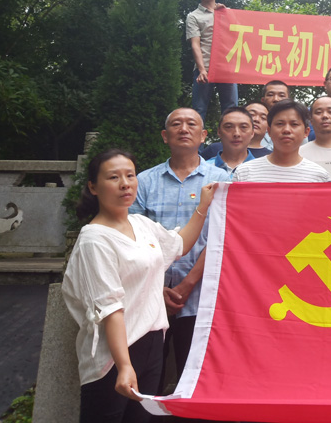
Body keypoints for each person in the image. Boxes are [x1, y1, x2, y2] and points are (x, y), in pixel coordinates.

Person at [62, 149, 217, 423]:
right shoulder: (94, 240)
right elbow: (110, 308)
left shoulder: (141, 224)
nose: (125, 184)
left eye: (130, 175)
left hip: (152, 341)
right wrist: (124, 365)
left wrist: (203, 206)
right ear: (93, 187)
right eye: (113, 177)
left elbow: (179, 244)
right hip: (115, 353)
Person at [130, 108, 229, 395]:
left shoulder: (222, 180)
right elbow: (134, 236)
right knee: (147, 377)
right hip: (149, 295)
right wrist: (156, 286)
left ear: (204, 135)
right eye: (176, 124)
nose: (183, 129)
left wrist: (187, 284)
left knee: (194, 378)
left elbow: (223, 238)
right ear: (165, 136)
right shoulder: (144, 181)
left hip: (200, 295)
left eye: (191, 124)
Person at [233, 100, 329, 182]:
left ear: (306, 132)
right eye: (280, 124)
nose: (286, 130)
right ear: (269, 131)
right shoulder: (244, 172)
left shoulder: (319, 176)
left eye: (294, 124)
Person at [186, 0, 236, 122]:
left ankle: (230, 138)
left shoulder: (227, 12)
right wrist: (201, 69)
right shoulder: (193, 16)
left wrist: (226, 14)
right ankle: (197, 139)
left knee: (231, 109)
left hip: (226, 67)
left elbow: (239, 35)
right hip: (205, 68)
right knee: (199, 109)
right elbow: (195, 44)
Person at [199, 102, 272, 160]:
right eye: (251, 114)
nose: (256, 119)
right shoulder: (214, 149)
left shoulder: (271, 158)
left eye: (263, 118)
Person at [299, 96, 331, 178]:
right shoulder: (298, 154)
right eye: (318, 112)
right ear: (311, 120)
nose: (325, 116)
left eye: (330, 112)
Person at [211, 107, 256, 178]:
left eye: (243, 127)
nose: (236, 134)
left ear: (252, 133)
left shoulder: (262, 170)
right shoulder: (203, 168)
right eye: (229, 127)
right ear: (219, 132)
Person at [259, 80, 291, 151]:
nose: (276, 99)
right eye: (270, 95)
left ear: (288, 100)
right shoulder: (254, 124)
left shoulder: (297, 126)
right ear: (263, 100)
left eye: (281, 95)